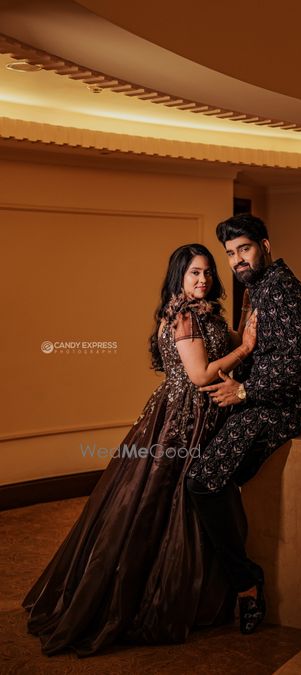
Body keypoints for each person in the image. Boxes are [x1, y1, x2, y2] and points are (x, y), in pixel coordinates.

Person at [22, 243, 258, 657]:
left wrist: (247, 325)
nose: (203, 279)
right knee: (162, 503)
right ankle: (148, 599)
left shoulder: (205, 313)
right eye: (194, 273)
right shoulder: (183, 316)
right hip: (183, 421)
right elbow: (201, 374)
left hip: (201, 416)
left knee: (191, 503)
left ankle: (200, 594)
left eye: (207, 272)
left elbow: (224, 343)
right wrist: (245, 349)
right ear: (178, 277)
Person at [186, 214, 301, 635]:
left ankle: (247, 583)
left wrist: (243, 392)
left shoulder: (282, 291)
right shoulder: (259, 287)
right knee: (198, 468)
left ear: (265, 245)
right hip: (256, 402)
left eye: (244, 249)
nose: (237, 260)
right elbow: (263, 353)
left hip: (278, 409)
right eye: (230, 253)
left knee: (202, 481)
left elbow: (297, 367)